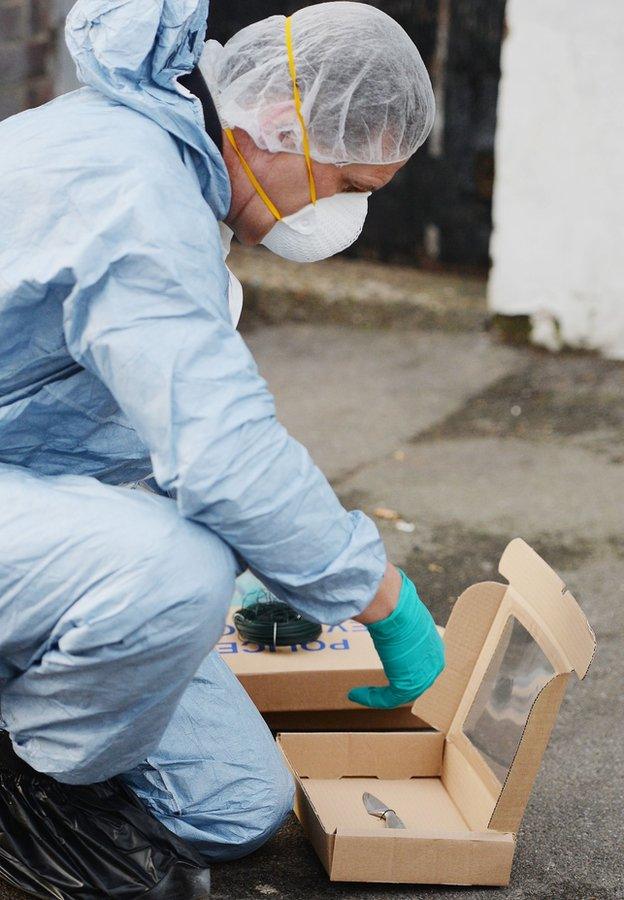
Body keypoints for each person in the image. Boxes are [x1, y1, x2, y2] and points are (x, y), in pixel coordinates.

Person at [0, 0, 444, 862]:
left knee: (232, 807)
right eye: (352, 188)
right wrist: (373, 596)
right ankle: (28, 780)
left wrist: (272, 559)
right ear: (280, 125)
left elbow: (112, 425)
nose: (348, 220)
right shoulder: (133, 192)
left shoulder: (169, 173)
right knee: (174, 572)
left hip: (21, 487)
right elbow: (223, 452)